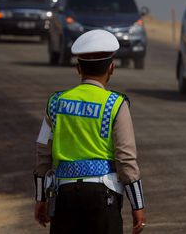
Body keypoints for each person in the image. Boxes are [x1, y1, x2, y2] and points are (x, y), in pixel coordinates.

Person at [33, 29, 146, 234]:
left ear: (78, 68)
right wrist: (137, 204)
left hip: (64, 197)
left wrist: (41, 198)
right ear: (111, 68)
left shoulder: (56, 103)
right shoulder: (115, 105)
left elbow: (43, 152)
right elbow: (126, 158)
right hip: (103, 198)